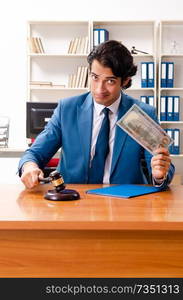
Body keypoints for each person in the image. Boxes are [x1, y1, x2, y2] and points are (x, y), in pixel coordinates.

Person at [18, 40, 174, 189]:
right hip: (73, 200)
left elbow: (162, 164)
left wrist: (159, 175)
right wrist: (29, 166)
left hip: (124, 203)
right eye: (95, 78)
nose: (100, 89)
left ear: (125, 81)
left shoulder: (142, 114)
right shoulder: (67, 109)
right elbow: (34, 153)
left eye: (110, 81)